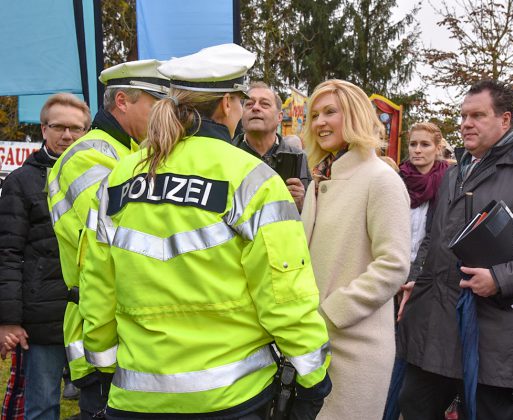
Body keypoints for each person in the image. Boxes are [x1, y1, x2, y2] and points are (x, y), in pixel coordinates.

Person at [78, 43, 331, 419]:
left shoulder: (120, 177)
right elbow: (284, 295)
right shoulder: (253, 178)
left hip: (136, 396)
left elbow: (97, 287)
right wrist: (314, 378)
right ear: (228, 103)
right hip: (232, 397)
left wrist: (102, 365)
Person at [397, 80, 513, 419]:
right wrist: (417, 280)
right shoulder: (453, 174)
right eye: (463, 116)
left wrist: (499, 277)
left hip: (494, 330)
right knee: (414, 405)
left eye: (477, 115)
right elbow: (434, 237)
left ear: (505, 120)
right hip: (436, 323)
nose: (465, 123)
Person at [46, 60, 169, 418]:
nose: (165, 114)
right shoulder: (87, 156)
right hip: (102, 337)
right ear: (122, 100)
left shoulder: (131, 152)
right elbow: (121, 239)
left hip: (127, 329)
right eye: (155, 103)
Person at [300, 79, 411, 419]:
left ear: (356, 115)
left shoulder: (381, 179)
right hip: (311, 344)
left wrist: (332, 312)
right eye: (314, 114)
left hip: (355, 348)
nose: (320, 122)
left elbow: (393, 265)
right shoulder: (320, 179)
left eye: (330, 112)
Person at [0, 93, 90, 419]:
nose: (68, 136)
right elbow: (7, 253)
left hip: (91, 312)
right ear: (44, 128)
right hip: (42, 320)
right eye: (60, 127)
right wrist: (9, 319)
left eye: (76, 129)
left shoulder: (100, 177)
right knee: (41, 408)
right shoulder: (20, 182)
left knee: (99, 406)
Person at [383, 122, 449, 420]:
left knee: (405, 354)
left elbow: (435, 237)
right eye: (413, 144)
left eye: (425, 145)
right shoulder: (396, 180)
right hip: (389, 272)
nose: (418, 150)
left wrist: (414, 278)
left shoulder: (446, 182)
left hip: (422, 279)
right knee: (388, 351)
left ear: (437, 148)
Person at [233, 82, 310, 211]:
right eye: (249, 104)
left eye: (264, 104)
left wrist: (302, 204)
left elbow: (311, 214)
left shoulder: (299, 158)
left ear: (279, 117)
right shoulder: (227, 155)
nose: (255, 108)